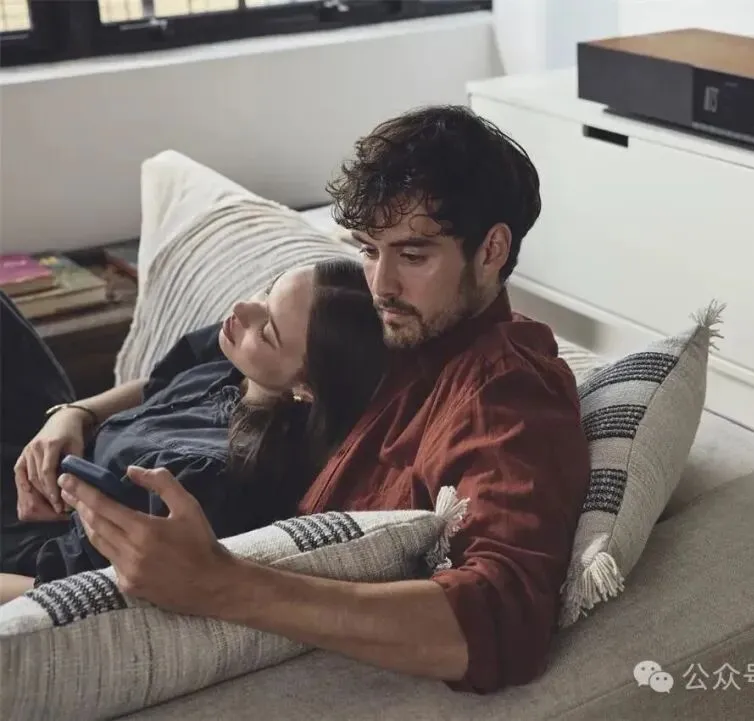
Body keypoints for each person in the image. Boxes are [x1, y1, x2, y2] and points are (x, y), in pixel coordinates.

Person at [40, 105, 592, 694]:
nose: (381, 285)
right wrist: (78, 412)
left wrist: (220, 582)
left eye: (413, 256)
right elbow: (215, 357)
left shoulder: (502, 394)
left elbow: (502, 618)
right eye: (369, 250)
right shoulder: (397, 324)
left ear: (491, 250)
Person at [1, 258, 385, 601]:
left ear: (306, 389)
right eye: (268, 292)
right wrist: (73, 415)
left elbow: (61, 590)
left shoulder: (204, 480)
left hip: (35, 538)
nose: (242, 308)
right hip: (55, 445)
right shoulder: (240, 356)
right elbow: (154, 388)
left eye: (267, 330)